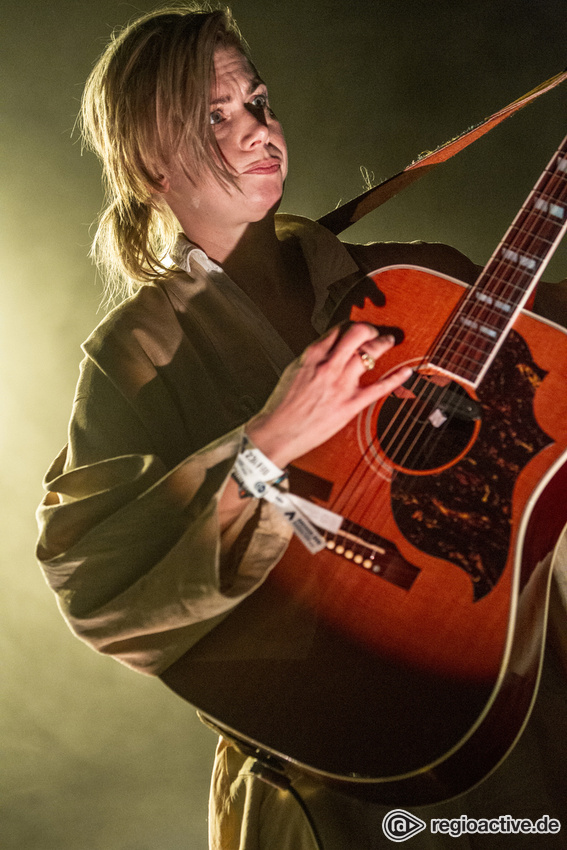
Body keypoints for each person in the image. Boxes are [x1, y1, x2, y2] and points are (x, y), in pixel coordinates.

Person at [36, 5, 567, 849]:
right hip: (317, 782)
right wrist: (268, 442)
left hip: (517, 732)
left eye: (258, 100)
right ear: (147, 163)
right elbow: (97, 589)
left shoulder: (413, 279)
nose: (257, 128)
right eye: (217, 114)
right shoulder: (136, 353)